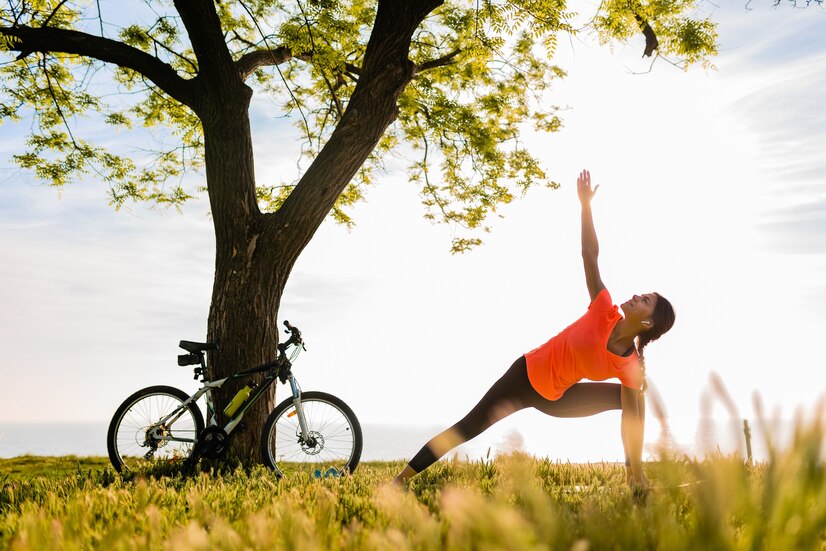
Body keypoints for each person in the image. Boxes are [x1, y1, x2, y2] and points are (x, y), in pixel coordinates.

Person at [393, 169, 676, 489]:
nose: (637, 296)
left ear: (649, 322)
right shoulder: (604, 310)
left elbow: (633, 414)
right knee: (468, 427)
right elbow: (590, 255)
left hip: (558, 399)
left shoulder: (629, 365)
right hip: (523, 376)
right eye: (642, 295)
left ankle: (634, 476)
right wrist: (586, 206)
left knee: (633, 398)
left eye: (645, 300)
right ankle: (400, 480)